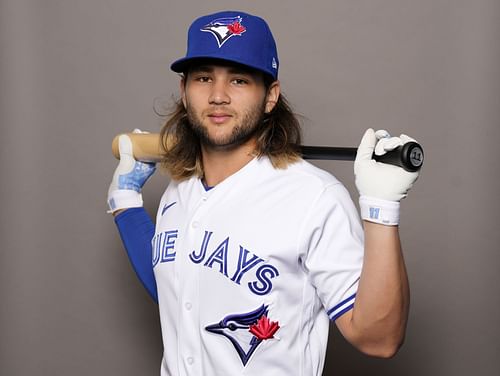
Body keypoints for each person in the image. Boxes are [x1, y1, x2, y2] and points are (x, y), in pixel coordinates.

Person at [107, 10, 420, 376]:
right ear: (184, 91)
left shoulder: (314, 198)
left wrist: (381, 207)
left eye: (239, 81)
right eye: (204, 78)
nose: (218, 96)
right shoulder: (180, 191)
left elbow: (379, 339)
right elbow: (180, 296)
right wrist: (126, 203)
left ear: (270, 96)